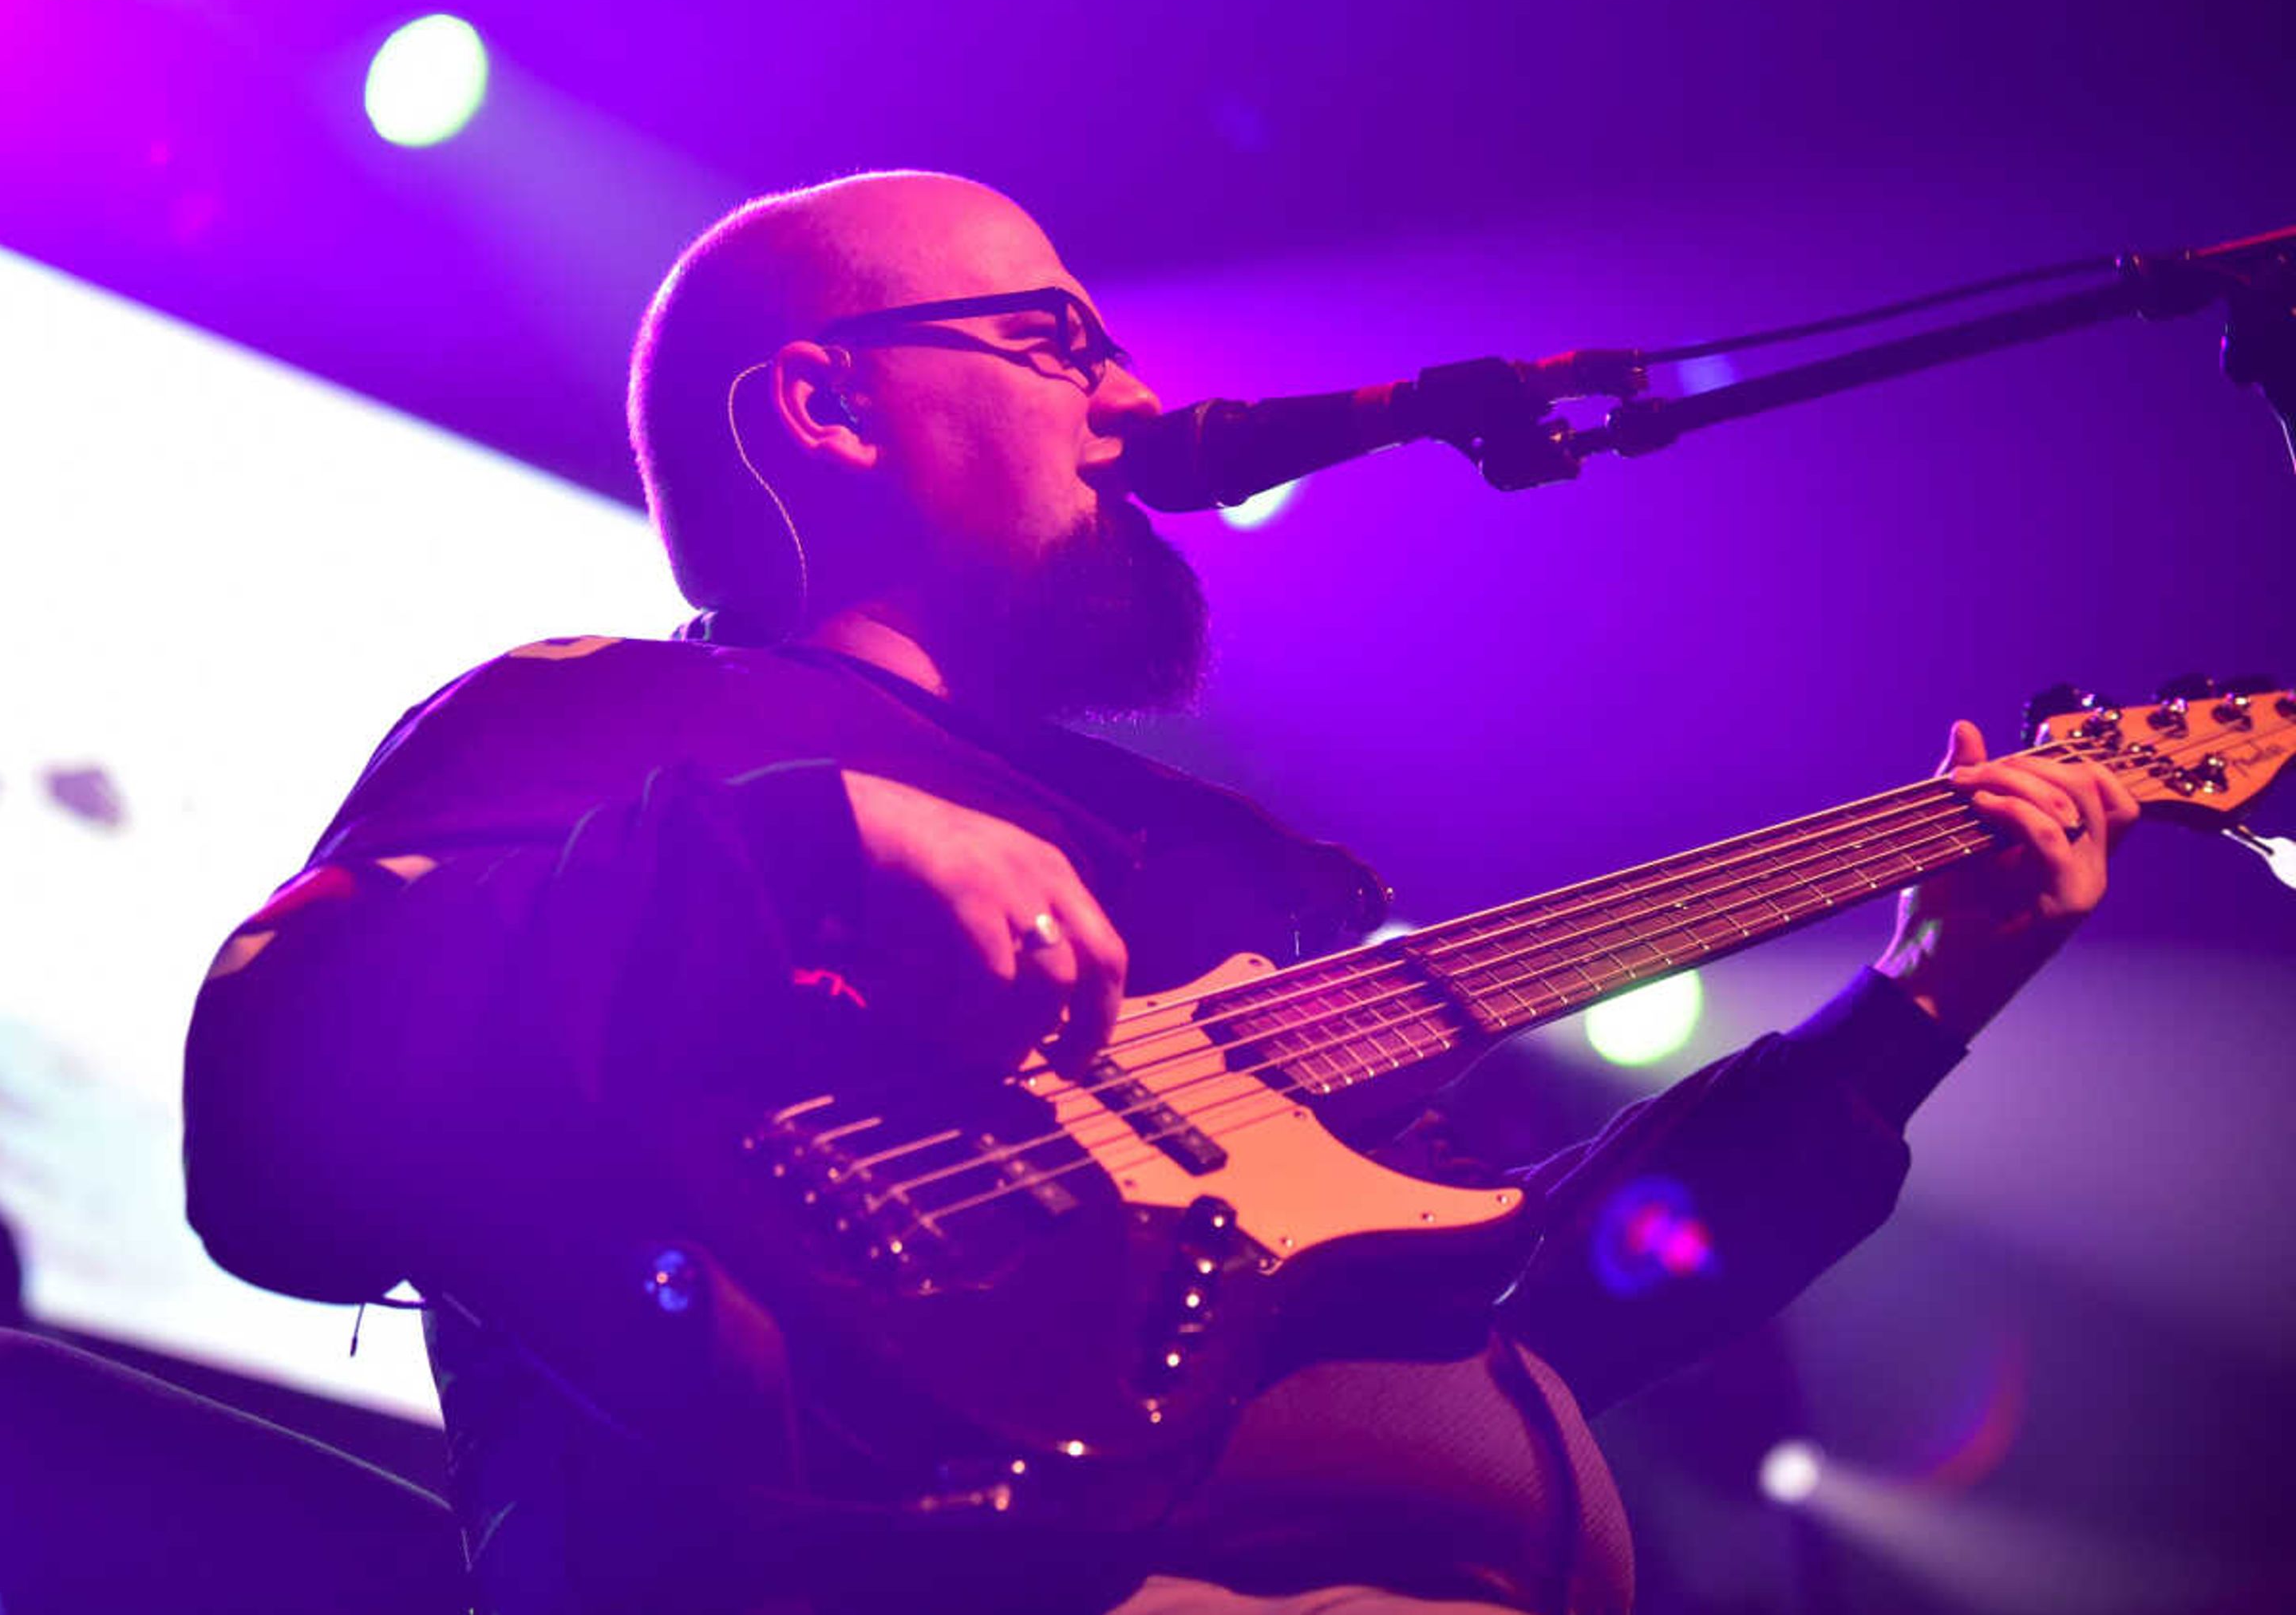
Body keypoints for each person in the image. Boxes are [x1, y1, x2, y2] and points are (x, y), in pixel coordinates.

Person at [182, 172, 2134, 1615]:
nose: (1131, 401)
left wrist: (1910, 1018)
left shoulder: (1242, 871)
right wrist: (814, 837)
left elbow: (1514, 1309)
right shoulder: (614, 723)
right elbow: (279, 1114)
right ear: (827, 409)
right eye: (1055, 343)